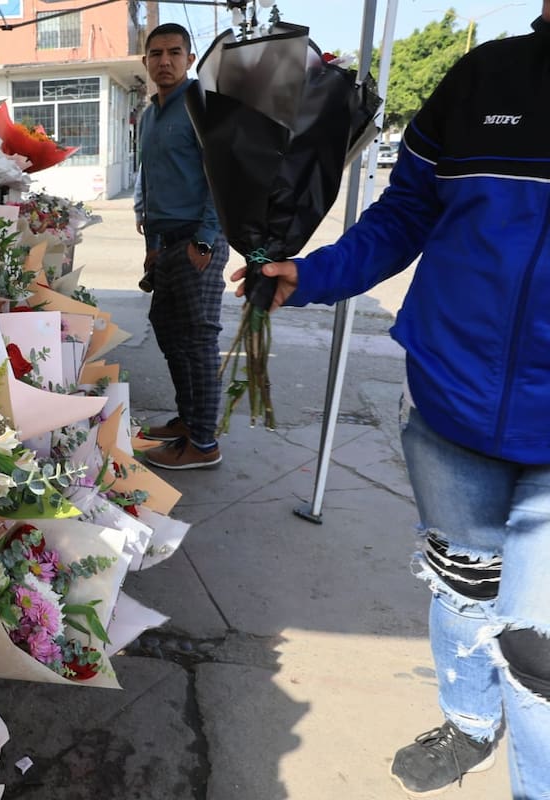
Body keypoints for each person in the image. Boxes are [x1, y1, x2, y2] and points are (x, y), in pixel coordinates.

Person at [233, 7, 550, 796]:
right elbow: (407, 211)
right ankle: (470, 720)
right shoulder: (485, 77)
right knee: (460, 584)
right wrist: (314, 275)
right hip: (452, 404)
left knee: (540, 649)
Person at [133, 22, 229, 470]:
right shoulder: (149, 114)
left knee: (198, 342)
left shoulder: (201, 106)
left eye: (174, 52)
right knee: (171, 333)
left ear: (190, 59)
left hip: (197, 241)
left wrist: (206, 240)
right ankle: (189, 421)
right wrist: (152, 241)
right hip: (166, 243)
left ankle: (205, 444)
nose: (164, 61)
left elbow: (219, 176)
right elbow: (150, 181)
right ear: (146, 60)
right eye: (156, 53)